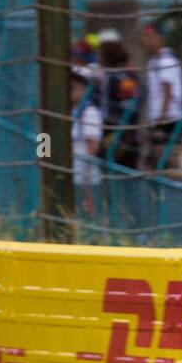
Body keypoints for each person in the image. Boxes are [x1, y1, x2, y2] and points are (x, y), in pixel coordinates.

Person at [140, 23, 182, 175]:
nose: (147, 40)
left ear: (161, 39)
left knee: (171, 154)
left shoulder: (166, 61)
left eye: (151, 36)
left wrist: (162, 116)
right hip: (158, 117)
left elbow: (167, 91)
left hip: (169, 117)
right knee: (156, 159)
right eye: (145, 37)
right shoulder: (152, 62)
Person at [95, 29, 141, 168]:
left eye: (100, 54)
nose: (98, 58)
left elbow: (130, 106)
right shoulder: (111, 75)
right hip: (116, 130)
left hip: (119, 133)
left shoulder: (121, 77)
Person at [70, 67, 105, 220]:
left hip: (84, 179)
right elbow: (45, 137)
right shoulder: (62, 111)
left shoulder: (89, 112)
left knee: (88, 216)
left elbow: (92, 147)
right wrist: (43, 157)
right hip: (66, 176)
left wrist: (85, 182)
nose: (71, 89)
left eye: (76, 86)